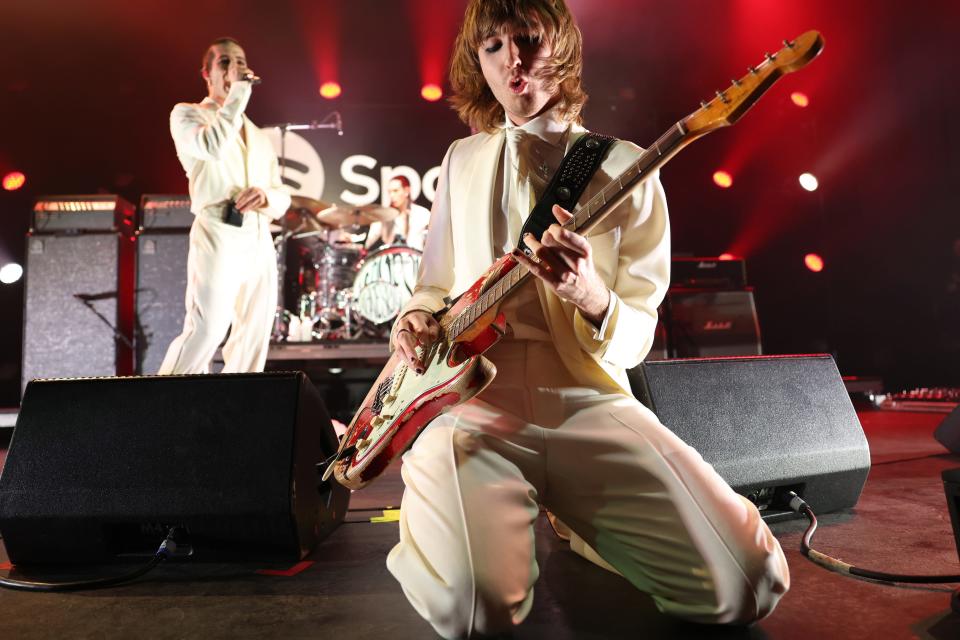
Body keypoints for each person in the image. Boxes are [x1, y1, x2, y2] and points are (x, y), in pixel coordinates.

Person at [386, 1, 789, 637]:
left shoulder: (627, 167)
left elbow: (636, 340)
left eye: (525, 37)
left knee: (748, 585)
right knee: (473, 612)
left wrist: (590, 294)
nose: (511, 58)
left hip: (586, 398)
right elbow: (433, 284)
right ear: (479, 66)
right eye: (492, 46)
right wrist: (413, 319)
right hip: (471, 403)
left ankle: (582, 522)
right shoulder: (461, 158)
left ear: (563, 45)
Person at [158, 37, 291, 374]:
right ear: (207, 73)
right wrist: (238, 93)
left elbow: (281, 192)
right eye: (225, 62)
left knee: (253, 337)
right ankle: (161, 407)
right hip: (218, 230)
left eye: (240, 61)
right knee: (207, 329)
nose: (234, 68)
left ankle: (239, 417)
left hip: (260, 237)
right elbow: (212, 146)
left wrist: (267, 197)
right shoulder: (187, 114)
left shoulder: (258, 136)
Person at [365, 175, 431, 251]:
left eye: (395, 191)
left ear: (406, 191)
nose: (392, 195)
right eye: (389, 192)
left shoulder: (422, 213)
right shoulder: (385, 216)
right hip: (391, 260)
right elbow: (369, 243)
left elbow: (435, 241)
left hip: (416, 259)